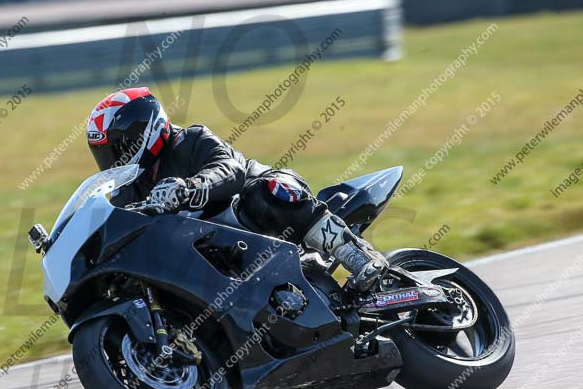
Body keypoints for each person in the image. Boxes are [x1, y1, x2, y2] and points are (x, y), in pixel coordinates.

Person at [85, 87, 387, 292]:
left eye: (118, 147)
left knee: (267, 193)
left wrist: (189, 188)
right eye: (105, 152)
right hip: (219, 253)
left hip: (255, 210)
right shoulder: (128, 192)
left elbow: (230, 170)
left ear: (144, 132)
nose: (113, 159)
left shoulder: (190, 140)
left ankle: (356, 254)